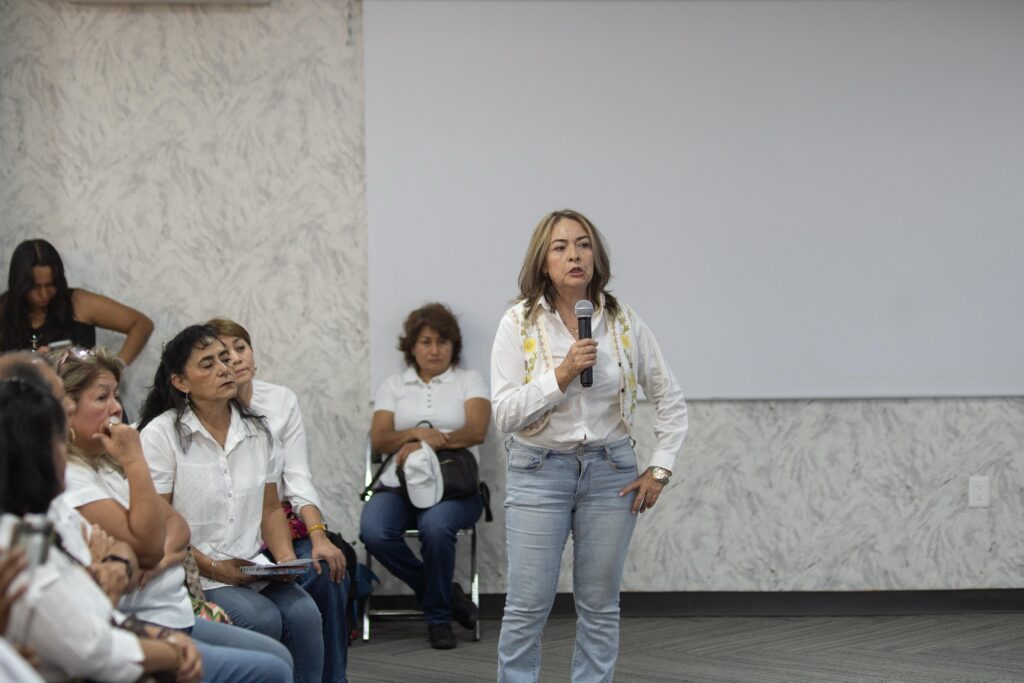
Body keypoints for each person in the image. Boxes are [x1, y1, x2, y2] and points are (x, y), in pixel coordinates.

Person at [491, 209, 688, 683]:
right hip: (539, 469)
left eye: (583, 244)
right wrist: (559, 376)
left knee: (600, 605)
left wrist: (660, 468)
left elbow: (669, 399)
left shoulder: (623, 321)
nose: (574, 255)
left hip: (610, 471)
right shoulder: (517, 323)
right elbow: (505, 414)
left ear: (595, 256)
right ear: (543, 262)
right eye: (560, 247)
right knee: (527, 606)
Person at [52, 345, 293, 683]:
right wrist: (135, 460)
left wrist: (160, 557)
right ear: (65, 411)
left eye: (117, 396)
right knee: (270, 667)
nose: (117, 408)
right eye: (102, 398)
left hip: (175, 610)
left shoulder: (107, 465)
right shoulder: (73, 477)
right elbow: (145, 542)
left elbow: (177, 526)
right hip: (142, 618)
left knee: (280, 653)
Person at [137, 324, 324, 683]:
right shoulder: (161, 434)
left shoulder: (257, 429)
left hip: (251, 566)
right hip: (194, 573)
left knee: (305, 614)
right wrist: (215, 567)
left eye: (224, 359)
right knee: (261, 619)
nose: (225, 368)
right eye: (207, 364)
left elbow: (271, 508)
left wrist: (286, 561)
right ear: (181, 382)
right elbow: (158, 523)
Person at [0, 373, 203, 683]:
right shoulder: (17, 544)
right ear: (31, 456)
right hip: (127, 642)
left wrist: (115, 565)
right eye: (57, 442)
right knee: (266, 667)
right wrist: (172, 651)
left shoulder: (32, 523)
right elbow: (90, 647)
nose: (63, 455)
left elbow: (112, 574)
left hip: (140, 626)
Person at [206, 317, 350, 682]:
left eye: (241, 347)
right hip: (236, 533)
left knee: (327, 568)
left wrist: (319, 536)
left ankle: (333, 678)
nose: (235, 358)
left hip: (281, 524)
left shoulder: (280, 400)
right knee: (273, 608)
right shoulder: (206, 415)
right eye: (223, 354)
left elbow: (297, 480)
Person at [360, 303, 490, 649]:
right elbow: (380, 439)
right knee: (374, 531)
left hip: (455, 488)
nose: (434, 350)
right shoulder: (394, 385)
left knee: (435, 527)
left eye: (442, 342)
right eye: (426, 342)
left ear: (453, 346)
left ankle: (438, 619)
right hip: (398, 485)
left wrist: (428, 444)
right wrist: (415, 434)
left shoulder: (469, 380)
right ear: (412, 347)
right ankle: (448, 595)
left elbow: (476, 431)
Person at [0, 238, 153, 363]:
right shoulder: (3, 309)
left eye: (50, 285)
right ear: (19, 285)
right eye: (35, 287)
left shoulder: (78, 303)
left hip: (78, 390)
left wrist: (116, 369)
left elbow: (141, 324)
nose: (44, 294)